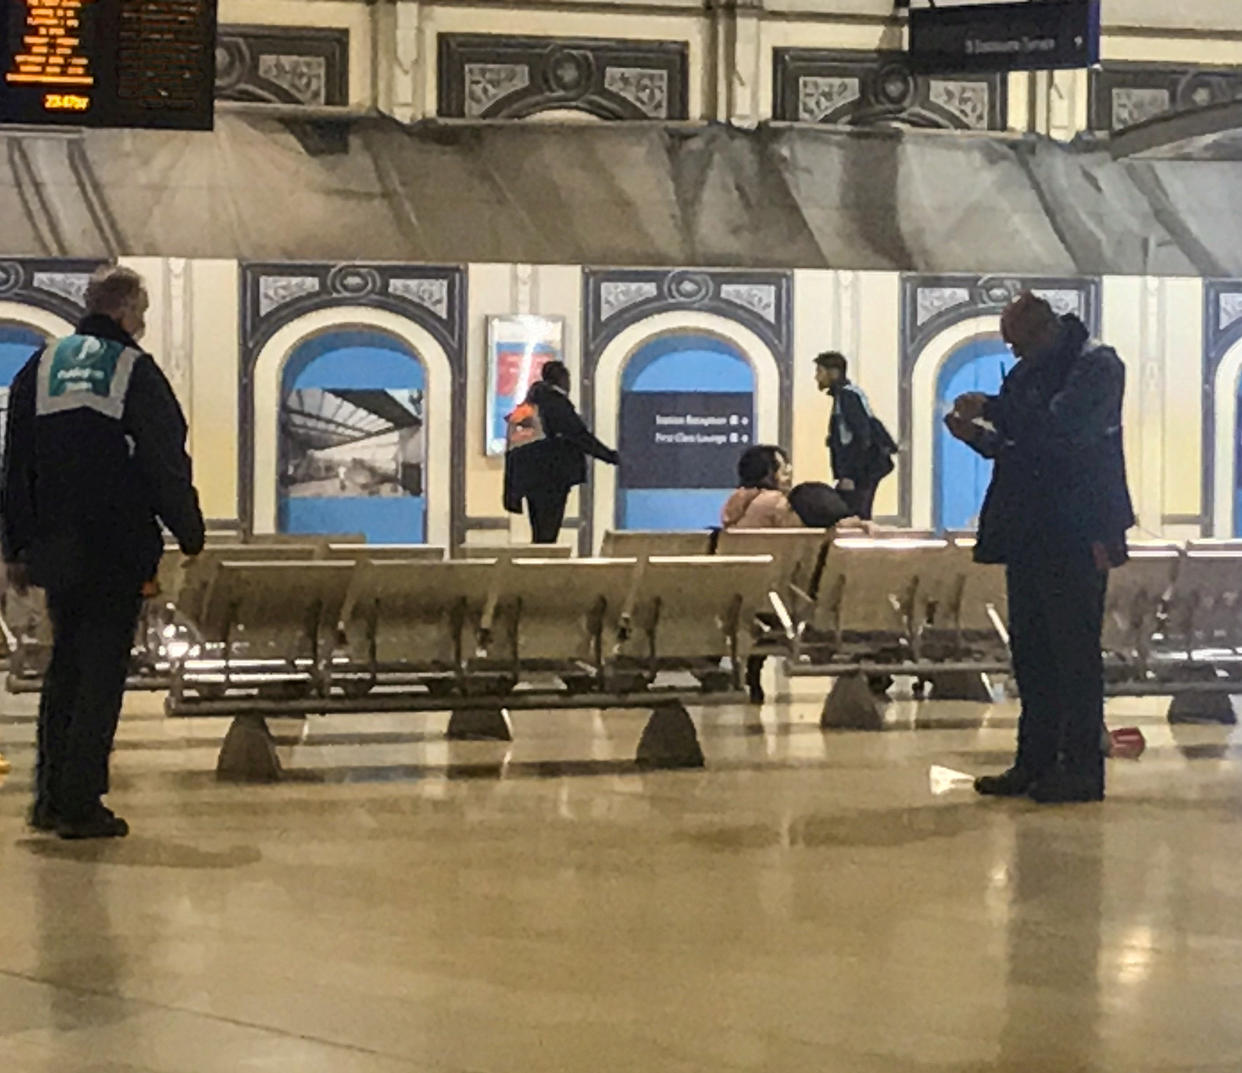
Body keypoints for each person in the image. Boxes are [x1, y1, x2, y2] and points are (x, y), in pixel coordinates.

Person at [1, 265, 205, 839]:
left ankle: (48, 797)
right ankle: (79, 803)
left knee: (66, 667)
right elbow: (164, 459)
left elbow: (15, 461)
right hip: (115, 547)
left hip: (55, 547)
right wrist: (189, 530)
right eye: (140, 311)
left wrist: (15, 544)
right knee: (100, 674)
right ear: (123, 310)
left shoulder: (40, 367)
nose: (142, 323)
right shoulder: (134, 370)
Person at [945, 292, 1134, 805]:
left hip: (1079, 528)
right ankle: (1033, 761)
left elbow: (1060, 432)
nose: (1016, 355)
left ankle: (1079, 770)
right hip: (1031, 528)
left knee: (1073, 652)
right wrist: (976, 437)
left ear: (1045, 330)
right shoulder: (1032, 371)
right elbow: (1021, 451)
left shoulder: (1096, 366)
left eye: (1020, 344)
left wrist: (992, 408)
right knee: (1032, 652)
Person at [503, 361, 618, 544]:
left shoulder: (528, 406)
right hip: (552, 477)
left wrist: (512, 490)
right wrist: (610, 456)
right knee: (549, 531)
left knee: (539, 531)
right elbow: (579, 436)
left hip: (530, 480)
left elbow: (512, 450)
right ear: (562, 379)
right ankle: (545, 569)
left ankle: (538, 565)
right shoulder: (556, 403)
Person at [814, 351, 896, 521]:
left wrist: (849, 475)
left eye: (819, 371)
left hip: (861, 472)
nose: (817, 377)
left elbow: (861, 437)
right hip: (862, 470)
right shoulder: (845, 396)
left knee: (854, 518)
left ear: (833, 372)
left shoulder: (847, 397)